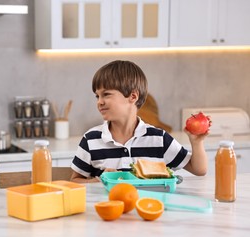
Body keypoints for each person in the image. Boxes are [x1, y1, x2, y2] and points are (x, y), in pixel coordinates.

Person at [70, 60, 210, 183]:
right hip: (108, 210)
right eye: (97, 96)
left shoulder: (158, 139)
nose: (100, 102)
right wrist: (99, 180)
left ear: (133, 96)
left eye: (106, 94)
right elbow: (74, 181)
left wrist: (196, 142)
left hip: (148, 207)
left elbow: (199, 169)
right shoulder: (91, 139)